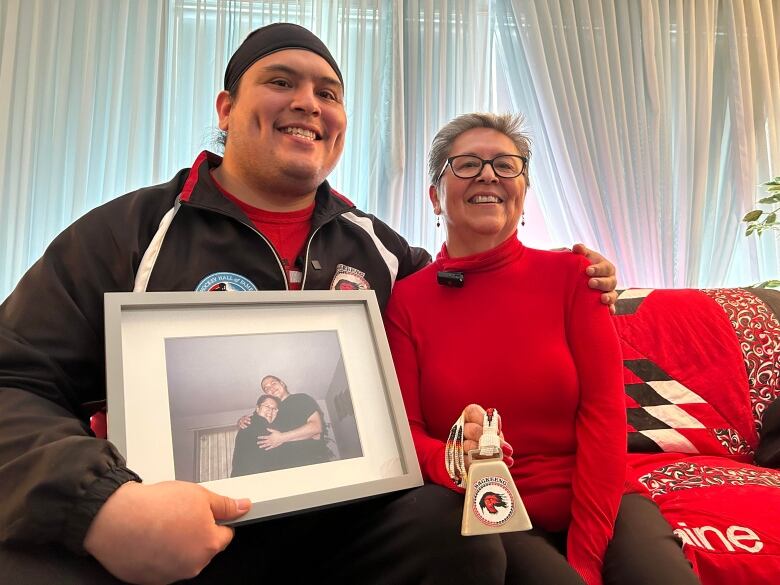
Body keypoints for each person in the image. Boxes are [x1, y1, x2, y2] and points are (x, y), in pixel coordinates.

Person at [0, 23, 619, 585]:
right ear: (226, 108)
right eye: (280, 82)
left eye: (329, 92)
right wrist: (101, 503)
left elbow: (471, 303)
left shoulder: (382, 250)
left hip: (343, 529)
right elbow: (14, 378)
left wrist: (575, 276)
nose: (308, 103)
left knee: (453, 531)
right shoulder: (129, 232)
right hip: (171, 539)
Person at [384, 113, 700, 585]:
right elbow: (407, 429)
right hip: (490, 504)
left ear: (524, 192)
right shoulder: (407, 300)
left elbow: (604, 414)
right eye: (467, 164)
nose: (489, 174)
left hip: (602, 498)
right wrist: (453, 461)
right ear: (435, 194)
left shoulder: (576, 277)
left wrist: (588, 554)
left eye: (506, 165)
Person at [254, 375, 333, 467]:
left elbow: (316, 427)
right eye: (266, 388)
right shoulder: (272, 411)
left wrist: (282, 438)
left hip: (312, 463)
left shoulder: (301, 399)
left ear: (282, 384)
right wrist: (242, 420)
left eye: (273, 383)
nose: (271, 388)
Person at [231, 394, 283, 477]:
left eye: (274, 409)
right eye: (267, 406)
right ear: (257, 408)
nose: (271, 410)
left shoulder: (267, 426)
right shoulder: (252, 422)